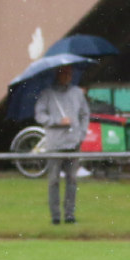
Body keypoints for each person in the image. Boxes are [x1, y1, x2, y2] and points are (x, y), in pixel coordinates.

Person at [35, 63, 91, 225]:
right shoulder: (47, 94)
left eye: (70, 73)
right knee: (53, 180)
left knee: (72, 179)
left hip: (73, 143)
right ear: (57, 74)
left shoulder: (77, 93)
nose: (67, 76)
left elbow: (85, 114)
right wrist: (56, 121)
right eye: (64, 73)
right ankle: (55, 216)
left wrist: (81, 133)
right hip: (55, 145)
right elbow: (40, 115)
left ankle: (69, 214)